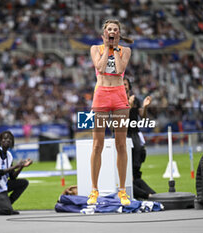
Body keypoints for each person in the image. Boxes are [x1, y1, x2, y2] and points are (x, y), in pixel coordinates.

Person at [87, 19, 134, 206]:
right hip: (101, 96)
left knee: (120, 144)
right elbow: (99, 67)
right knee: (97, 145)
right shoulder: (95, 48)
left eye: (115, 29)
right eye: (109, 29)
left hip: (119, 96)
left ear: (119, 34)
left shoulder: (126, 51)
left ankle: (122, 190)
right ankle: (94, 190)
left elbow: (120, 69)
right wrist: (107, 47)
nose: (112, 31)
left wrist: (115, 48)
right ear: (104, 33)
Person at [123, 77, 156, 199]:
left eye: (125, 84)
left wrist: (145, 106)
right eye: (122, 84)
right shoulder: (117, 100)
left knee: (137, 160)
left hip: (135, 134)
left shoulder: (135, 99)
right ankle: (132, 187)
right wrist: (129, 106)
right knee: (126, 163)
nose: (124, 86)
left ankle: (136, 186)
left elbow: (143, 116)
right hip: (123, 135)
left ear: (129, 86)